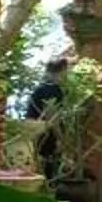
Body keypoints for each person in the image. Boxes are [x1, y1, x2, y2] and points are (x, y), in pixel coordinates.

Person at [25, 52, 70, 181]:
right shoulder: (54, 90)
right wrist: (61, 139)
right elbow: (52, 117)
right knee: (47, 171)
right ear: (62, 71)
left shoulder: (41, 89)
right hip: (45, 135)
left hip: (36, 133)